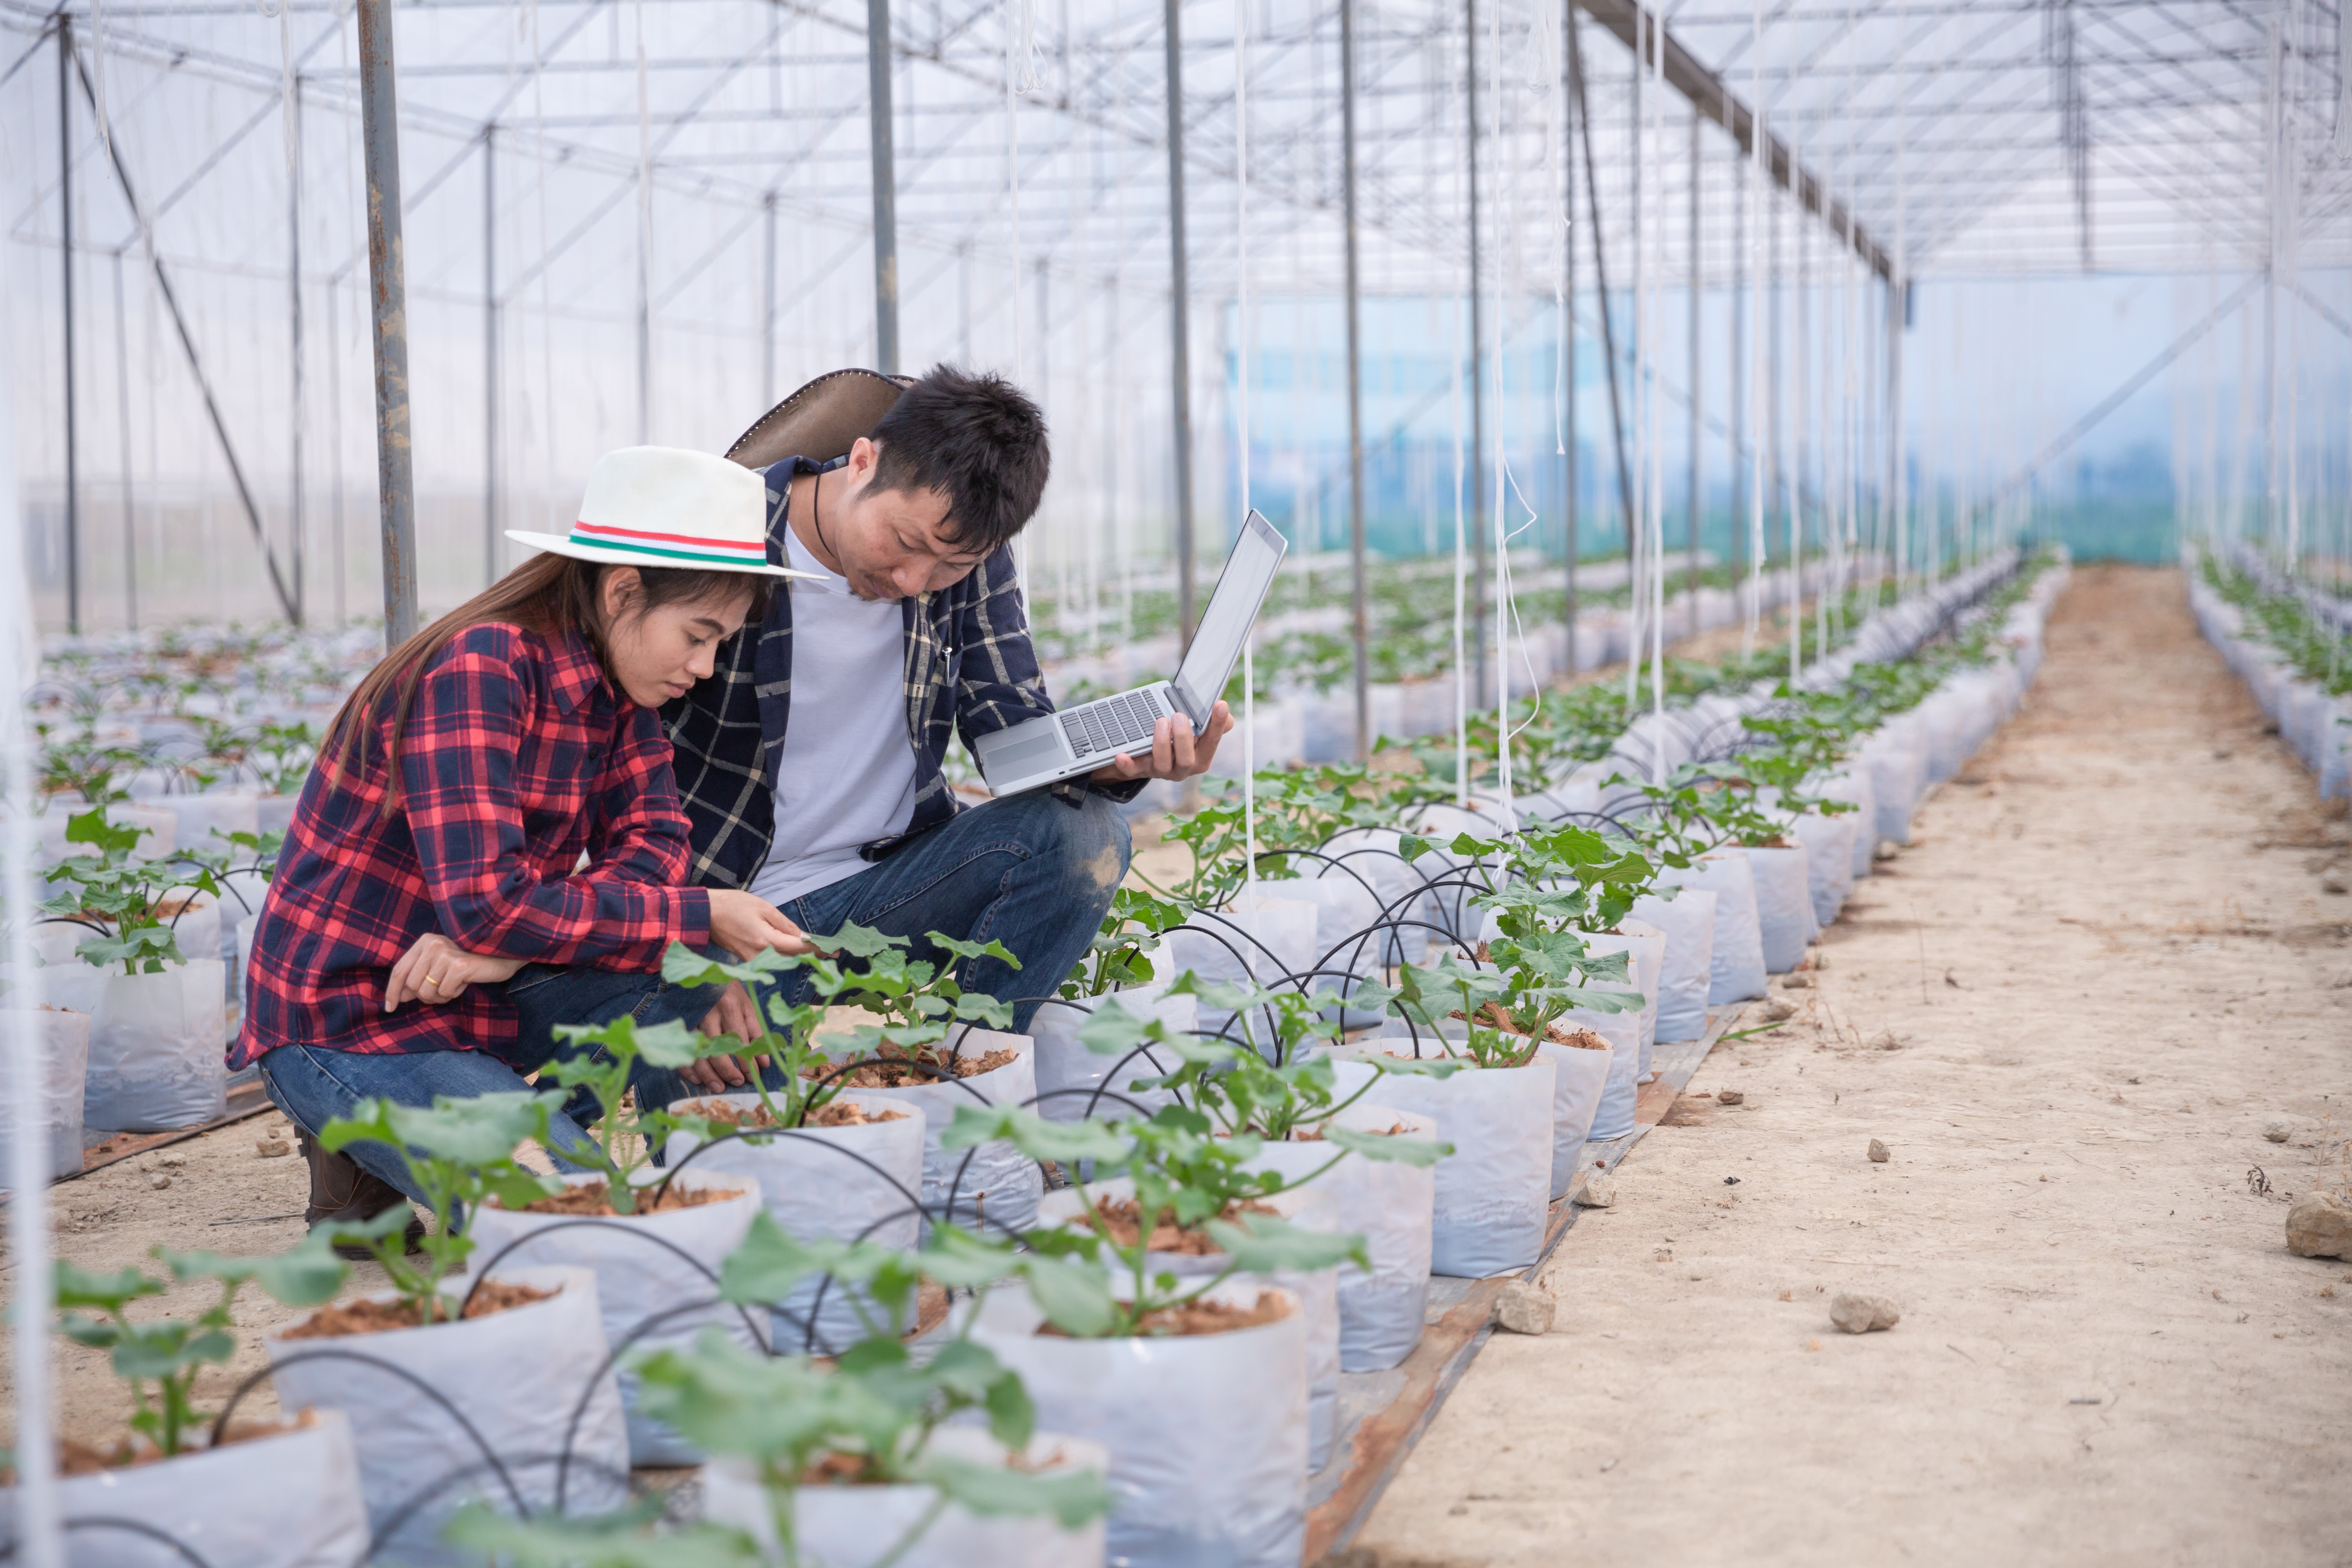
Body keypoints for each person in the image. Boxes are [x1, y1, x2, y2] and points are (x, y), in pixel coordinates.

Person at [499, 364, 1233, 1066]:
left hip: (887, 883)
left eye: (949, 566)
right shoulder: (727, 531)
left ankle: (970, 1081)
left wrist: (1109, 763)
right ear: (860, 461)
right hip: (727, 904)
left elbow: (1010, 725)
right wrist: (683, 926)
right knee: (733, 1134)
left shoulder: (970, 559)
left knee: (1082, 834)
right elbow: (618, 764)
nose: (917, 580)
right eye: (907, 543)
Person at [239, 446, 815, 1240]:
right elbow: (490, 904)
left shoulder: (622, 694)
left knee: (707, 992)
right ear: (622, 591)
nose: (705, 666)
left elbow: (657, 851)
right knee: (580, 1221)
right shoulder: (485, 664)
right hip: (355, 1017)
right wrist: (695, 914)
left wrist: (505, 946)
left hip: (472, 988)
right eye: (697, 634)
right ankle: (383, 1135)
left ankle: (748, 1219)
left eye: (721, 644)